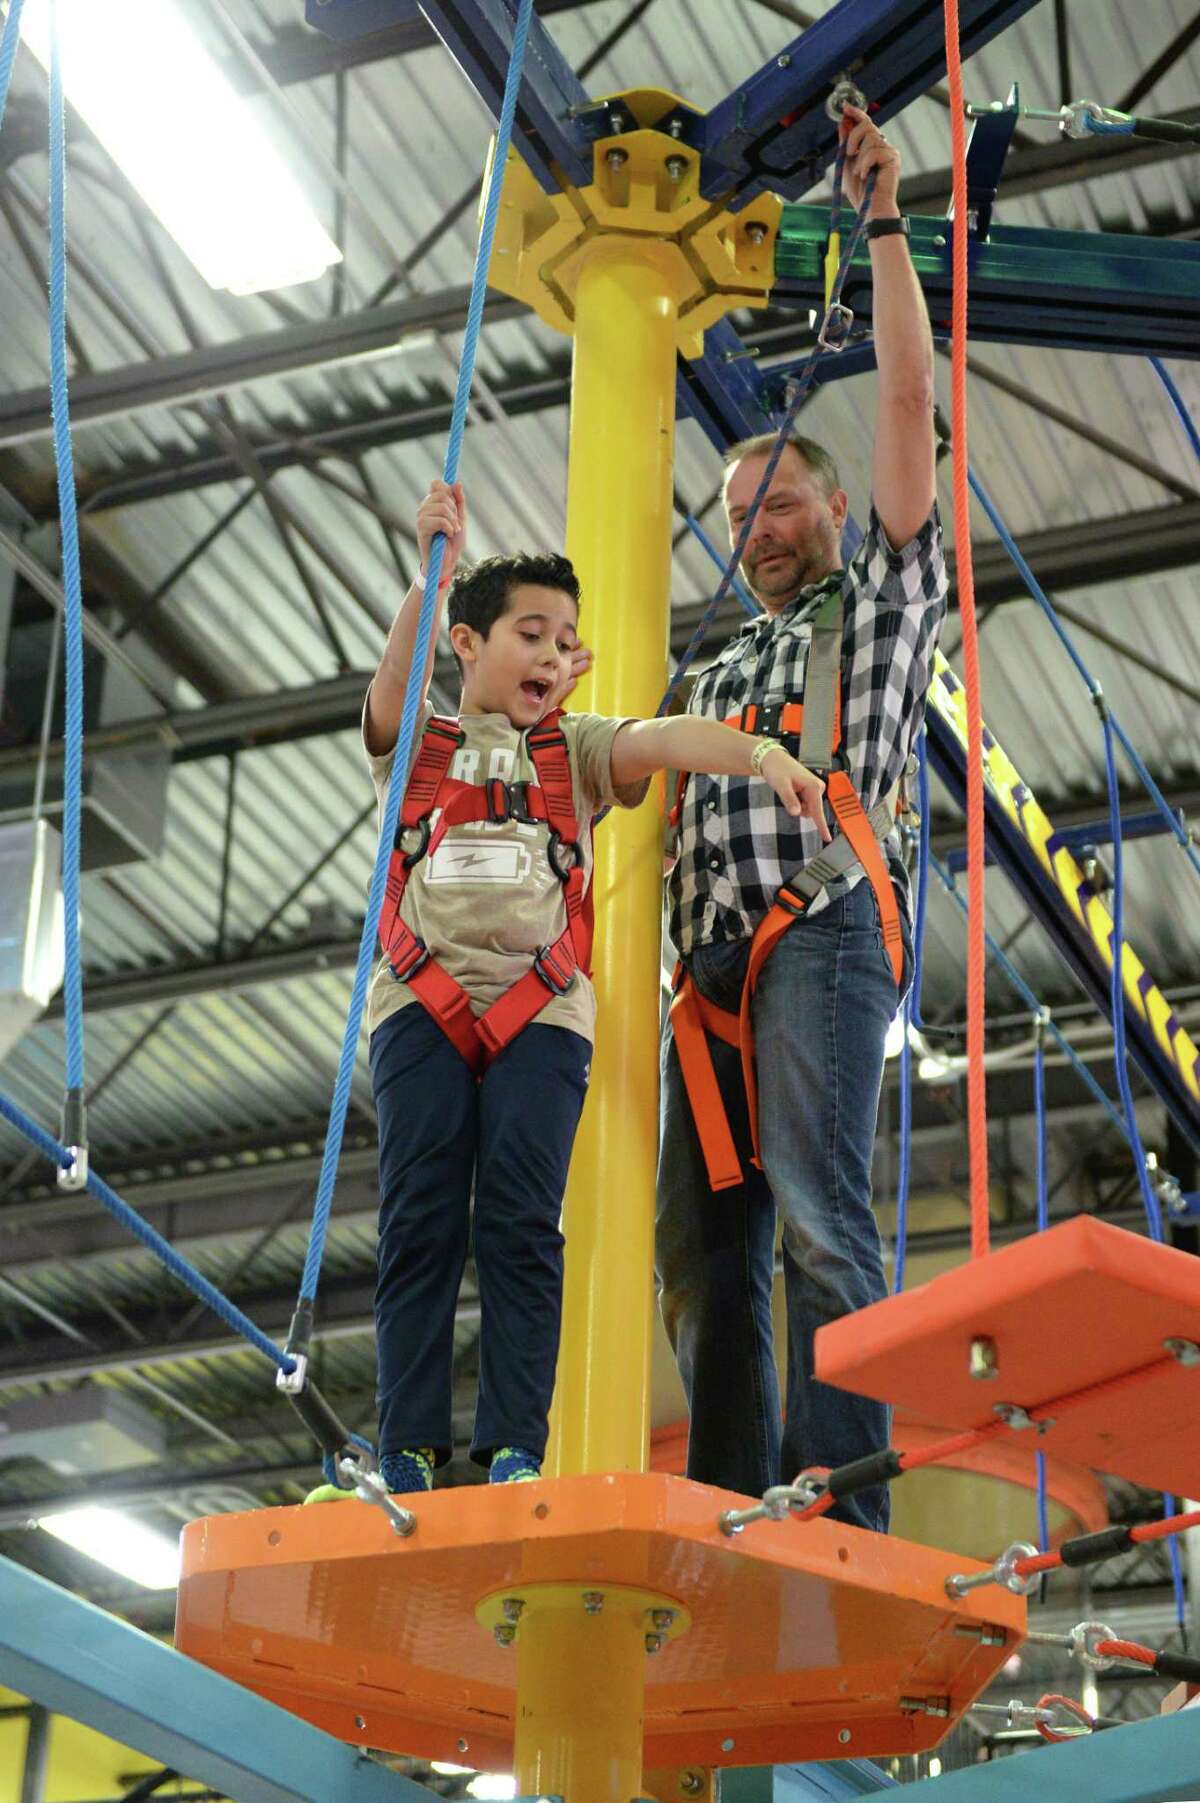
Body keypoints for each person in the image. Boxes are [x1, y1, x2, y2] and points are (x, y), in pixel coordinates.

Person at [334, 479, 832, 1495]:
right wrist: (423, 586)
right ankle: (407, 1450)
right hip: (420, 1005)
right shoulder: (421, 748)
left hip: (541, 1016)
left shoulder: (580, 748)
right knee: (420, 1217)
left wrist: (762, 755)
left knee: (520, 1220)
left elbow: (669, 739)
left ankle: (517, 1445)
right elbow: (388, 697)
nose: (554, 657)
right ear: (467, 645)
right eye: (530, 635)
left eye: (567, 642)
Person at [655, 105, 948, 1532]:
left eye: (777, 497)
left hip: (825, 925)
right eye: (733, 511)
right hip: (706, 979)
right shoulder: (705, 669)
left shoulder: (877, 603)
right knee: (707, 1252)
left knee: (823, 1219)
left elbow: (905, 403)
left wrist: (883, 225)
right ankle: (731, 1510)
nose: (755, 523)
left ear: (834, 504)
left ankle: (840, 1512)